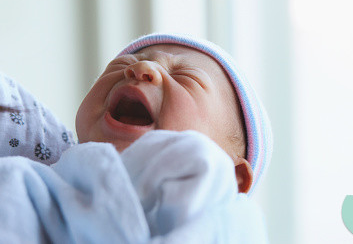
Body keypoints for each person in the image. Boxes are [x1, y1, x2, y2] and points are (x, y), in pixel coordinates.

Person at [0, 33, 272, 242]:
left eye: (184, 76)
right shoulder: (38, 170)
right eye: (123, 63)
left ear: (232, 177)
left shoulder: (224, 218)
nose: (141, 67)